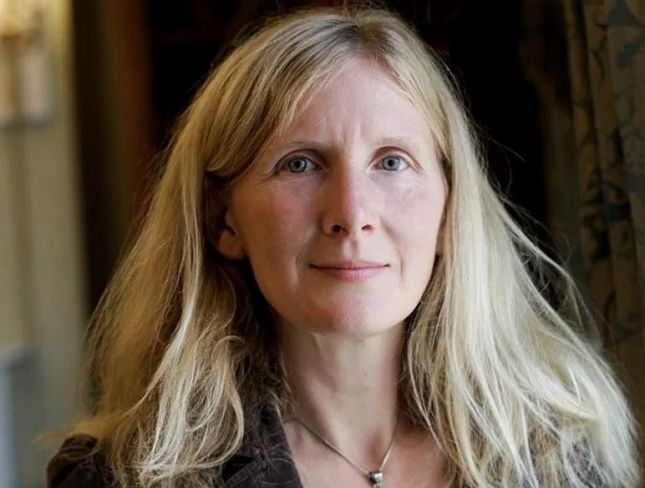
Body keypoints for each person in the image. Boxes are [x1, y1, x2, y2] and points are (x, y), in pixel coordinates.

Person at [47, 6, 639, 488]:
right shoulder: (117, 477)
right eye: (300, 164)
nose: (352, 215)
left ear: (448, 213)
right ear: (223, 221)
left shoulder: (557, 456)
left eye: (392, 162)